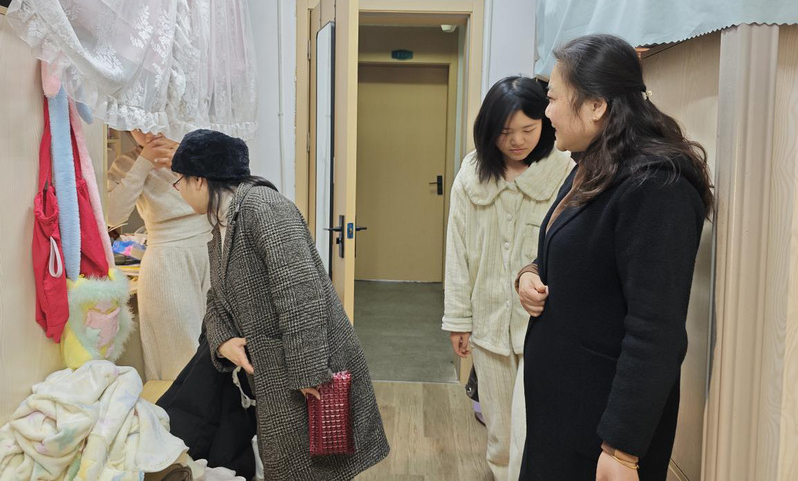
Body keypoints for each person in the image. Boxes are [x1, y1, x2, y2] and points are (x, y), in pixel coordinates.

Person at [515, 34, 714, 481]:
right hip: (563, 411)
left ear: (596, 105)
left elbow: (656, 330)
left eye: (553, 98)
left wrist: (621, 449)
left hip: (601, 427)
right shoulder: (593, 165)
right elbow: (577, 255)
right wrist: (530, 274)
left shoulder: (656, 188)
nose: (547, 112)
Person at [170, 129, 389, 481]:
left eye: (178, 180)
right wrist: (222, 341)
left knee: (314, 466)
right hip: (275, 371)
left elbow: (301, 293)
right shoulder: (222, 223)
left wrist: (308, 371)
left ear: (199, 179)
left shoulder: (264, 209)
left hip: (306, 367)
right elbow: (216, 297)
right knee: (293, 466)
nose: (177, 190)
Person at [442, 76, 573, 481]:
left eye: (528, 130)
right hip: (488, 324)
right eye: (504, 132)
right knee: (500, 432)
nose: (516, 141)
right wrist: (458, 320)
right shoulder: (471, 175)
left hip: (544, 328)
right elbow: (457, 253)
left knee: (539, 428)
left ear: (545, 123)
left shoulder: (566, 172)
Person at [107, 130, 212, 381]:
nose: (148, 130)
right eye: (138, 124)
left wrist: (187, 160)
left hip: (210, 249)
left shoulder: (200, 148)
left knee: (218, 348)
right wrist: (144, 162)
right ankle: (179, 407)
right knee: (179, 356)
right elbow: (111, 216)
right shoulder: (127, 163)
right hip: (166, 260)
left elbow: (227, 199)